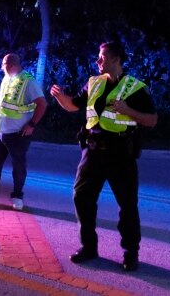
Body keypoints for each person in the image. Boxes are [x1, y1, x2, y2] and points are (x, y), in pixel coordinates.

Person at [50, 41, 157, 271]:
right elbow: (73, 106)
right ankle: (89, 247)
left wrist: (127, 110)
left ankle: (130, 253)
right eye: (98, 57)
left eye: (102, 57)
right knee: (81, 197)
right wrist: (60, 97)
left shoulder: (135, 87)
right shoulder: (93, 84)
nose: (98, 61)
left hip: (121, 154)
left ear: (116, 59)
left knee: (127, 205)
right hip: (92, 152)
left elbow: (152, 120)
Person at [0, 53, 47, 211]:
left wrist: (32, 125)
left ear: (10, 65)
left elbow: (42, 104)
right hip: (0, 132)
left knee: (18, 166)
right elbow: (2, 101)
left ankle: (17, 196)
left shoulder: (28, 82)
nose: (1, 68)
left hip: (18, 133)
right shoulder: (7, 78)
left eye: (3, 65)